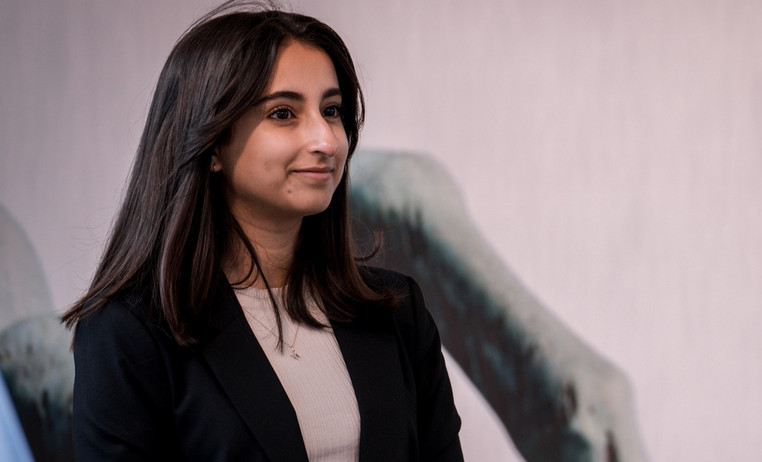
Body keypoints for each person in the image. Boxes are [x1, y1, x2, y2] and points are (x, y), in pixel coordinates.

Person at [60, 2, 463, 461]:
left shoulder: (397, 312)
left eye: (331, 110)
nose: (326, 141)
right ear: (210, 145)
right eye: (283, 114)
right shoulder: (127, 335)